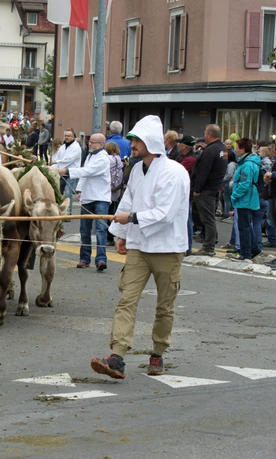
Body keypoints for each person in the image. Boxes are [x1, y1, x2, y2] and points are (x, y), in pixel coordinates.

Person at [90, 115, 190, 379]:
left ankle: (158, 352)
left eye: (136, 141)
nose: (132, 145)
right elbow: (126, 202)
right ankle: (117, 355)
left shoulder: (174, 173)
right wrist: (122, 234)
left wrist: (131, 220)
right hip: (139, 246)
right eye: (132, 139)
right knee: (126, 299)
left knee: (164, 305)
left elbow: (165, 214)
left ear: (152, 142)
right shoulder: (135, 170)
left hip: (167, 248)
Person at [58, 133, 111, 271]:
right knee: (84, 230)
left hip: (100, 198)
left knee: (101, 230)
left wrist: (66, 171)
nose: (89, 144)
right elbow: (84, 175)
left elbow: (87, 171)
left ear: (101, 144)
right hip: (87, 197)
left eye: (93, 142)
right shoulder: (89, 156)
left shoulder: (103, 159)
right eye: (89, 141)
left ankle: (101, 259)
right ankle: (84, 258)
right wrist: (80, 190)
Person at [191, 124, 226, 256]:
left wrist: (197, 188)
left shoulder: (210, 150)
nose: (204, 135)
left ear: (210, 135)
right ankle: (211, 242)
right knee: (210, 217)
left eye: (205, 133)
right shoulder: (222, 149)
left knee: (207, 219)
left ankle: (208, 247)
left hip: (206, 189)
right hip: (216, 186)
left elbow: (204, 171)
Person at [229, 138, 263, 262]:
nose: (235, 149)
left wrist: (234, 195)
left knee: (244, 227)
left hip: (245, 199)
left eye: (236, 147)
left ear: (242, 149)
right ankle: (254, 248)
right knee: (246, 225)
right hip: (248, 198)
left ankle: (245, 253)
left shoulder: (247, 164)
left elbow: (245, 183)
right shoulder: (248, 162)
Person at [50, 129, 82, 215]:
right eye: (66, 136)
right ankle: (58, 212)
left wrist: (56, 162)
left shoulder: (76, 147)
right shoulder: (62, 147)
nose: (67, 137)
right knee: (58, 193)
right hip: (61, 173)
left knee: (68, 193)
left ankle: (68, 213)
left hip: (71, 173)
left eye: (69, 136)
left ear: (73, 137)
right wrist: (52, 168)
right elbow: (58, 159)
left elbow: (69, 160)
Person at [176, 136, 197, 255]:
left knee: (187, 219)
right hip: (185, 191)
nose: (179, 146)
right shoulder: (186, 157)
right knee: (186, 218)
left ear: (184, 146)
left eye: (180, 144)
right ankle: (186, 246)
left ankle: (188, 247)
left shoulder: (190, 159)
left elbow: (177, 170)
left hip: (186, 192)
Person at [105, 142, 124, 246]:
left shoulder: (108, 160)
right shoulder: (118, 159)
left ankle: (109, 236)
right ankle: (111, 236)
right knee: (113, 212)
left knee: (107, 214)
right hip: (116, 190)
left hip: (108, 190)